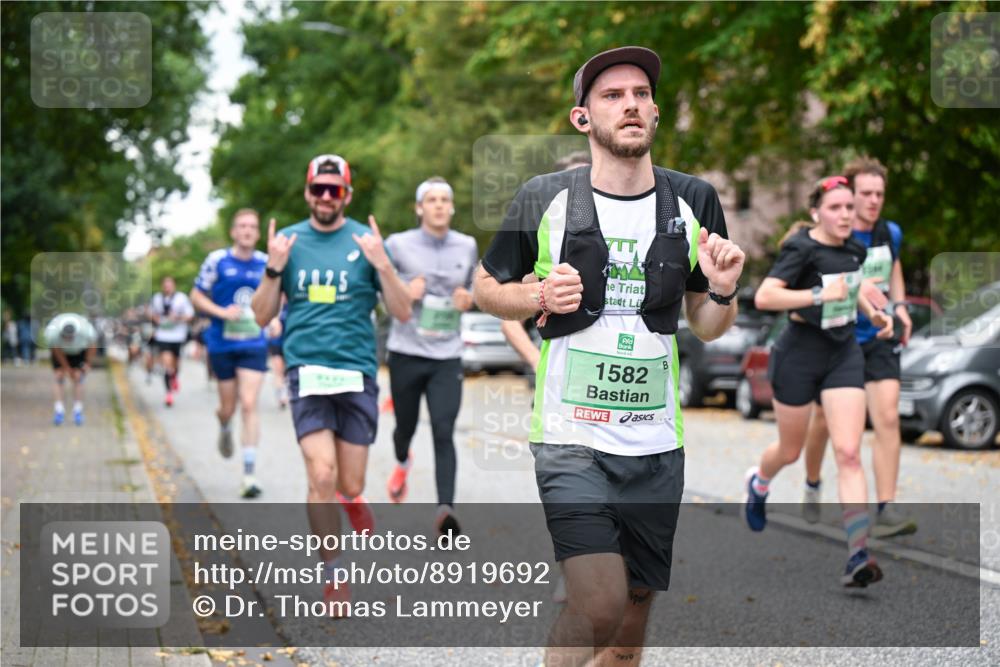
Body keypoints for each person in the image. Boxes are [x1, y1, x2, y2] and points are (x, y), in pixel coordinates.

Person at [474, 47, 745, 667]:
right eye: (613, 95)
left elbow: (706, 325)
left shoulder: (694, 200)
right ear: (582, 118)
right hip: (571, 438)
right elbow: (487, 287)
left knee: (629, 626)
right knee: (598, 603)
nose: (631, 104)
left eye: (641, 94)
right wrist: (536, 294)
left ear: (655, 113)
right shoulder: (543, 196)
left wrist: (724, 288)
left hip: (654, 443)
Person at [251, 154, 412, 613]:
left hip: (356, 372)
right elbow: (261, 316)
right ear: (307, 192)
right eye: (317, 189)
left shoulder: (365, 241)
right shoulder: (288, 243)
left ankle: (352, 496)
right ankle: (334, 573)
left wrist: (383, 265)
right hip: (306, 371)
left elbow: (402, 311)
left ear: (347, 195)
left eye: (334, 190)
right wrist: (273, 268)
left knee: (349, 479)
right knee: (319, 473)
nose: (325, 197)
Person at [746, 175, 894, 587]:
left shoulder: (854, 249)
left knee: (848, 452)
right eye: (836, 208)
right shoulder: (801, 248)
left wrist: (877, 315)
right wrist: (815, 296)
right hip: (799, 355)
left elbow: (853, 289)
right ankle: (759, 482)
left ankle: (858, 553)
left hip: (843, 353)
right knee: (790, 450)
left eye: (850, 207)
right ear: (816, 212)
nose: (846, 214)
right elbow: (765, 297)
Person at [800, 157, 916, 537]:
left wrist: (899, 307)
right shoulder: (838, 236)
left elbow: (894, 271)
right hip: (840, 338)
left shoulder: (889, 232)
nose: (873, 201)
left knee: (887, 418)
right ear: (850, 194)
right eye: (865, 193)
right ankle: (813, 482)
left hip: (880, 338)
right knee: (822, 424)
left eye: (879, 194)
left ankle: (886, 508)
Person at [383, 177, 478, 535]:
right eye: (431, 200)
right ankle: (402, 459)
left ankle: (445, 510)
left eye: (445, 199)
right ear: (419, 208)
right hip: (406, 351)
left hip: (447, 354)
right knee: (404, 428)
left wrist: (468, 299)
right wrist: (406, 291)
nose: (439, 205)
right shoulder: (397, 245)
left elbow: (474, 288)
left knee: (443, 429)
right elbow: (385, 296)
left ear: (451, 207)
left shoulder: (466, 245)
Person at [191, 208, 270, 499]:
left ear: (258, 233)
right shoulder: (217, 261)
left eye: (252, 226)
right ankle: (224, 423)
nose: (247, 231)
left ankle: (249, 475)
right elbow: (196, 295)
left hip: (254, 343)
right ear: (234, 232)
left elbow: (279, 297)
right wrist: (220, 312)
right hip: (222, 343)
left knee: (249, 403)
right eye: (242, 226)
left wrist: (273, 320)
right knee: (229, 407)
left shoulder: (266, 262)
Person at [501, 151, 592, 381]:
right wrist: (537, 362)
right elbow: (509, 323)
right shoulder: (546, 253)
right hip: (557, 375)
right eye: (574, 180)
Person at [43, 313, 98, 426]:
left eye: (70, 337)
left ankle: (77, 410)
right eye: (65, 337)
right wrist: (67, 368)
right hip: (61, 352)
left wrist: (87, 363)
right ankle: (59, 410)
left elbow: (92, 346)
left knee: (78, 377)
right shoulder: (52, 333)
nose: (68, 340)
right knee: (59, 376)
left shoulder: (86, 330)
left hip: (79, 352)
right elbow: (56, 350)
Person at [149, 276, 194, 406]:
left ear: (174, 285)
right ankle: (168, 394)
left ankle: (174, 376)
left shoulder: (181, 298)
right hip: (163, 336)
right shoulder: (157, 298)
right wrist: (156, 318)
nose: (167, 287)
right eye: (165, 284)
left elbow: (190, 315)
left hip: (178, 336)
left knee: (176, 364)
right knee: (167, 364)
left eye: (169, 284)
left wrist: (178, 318)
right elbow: (150, 313)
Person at [266, 303, 289, 409]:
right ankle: (281, 394)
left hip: (291, 344)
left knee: (286, 371)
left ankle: (285, 389)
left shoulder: (295, 304)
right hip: (276, 342)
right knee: (278, 369)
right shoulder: (275, 305)